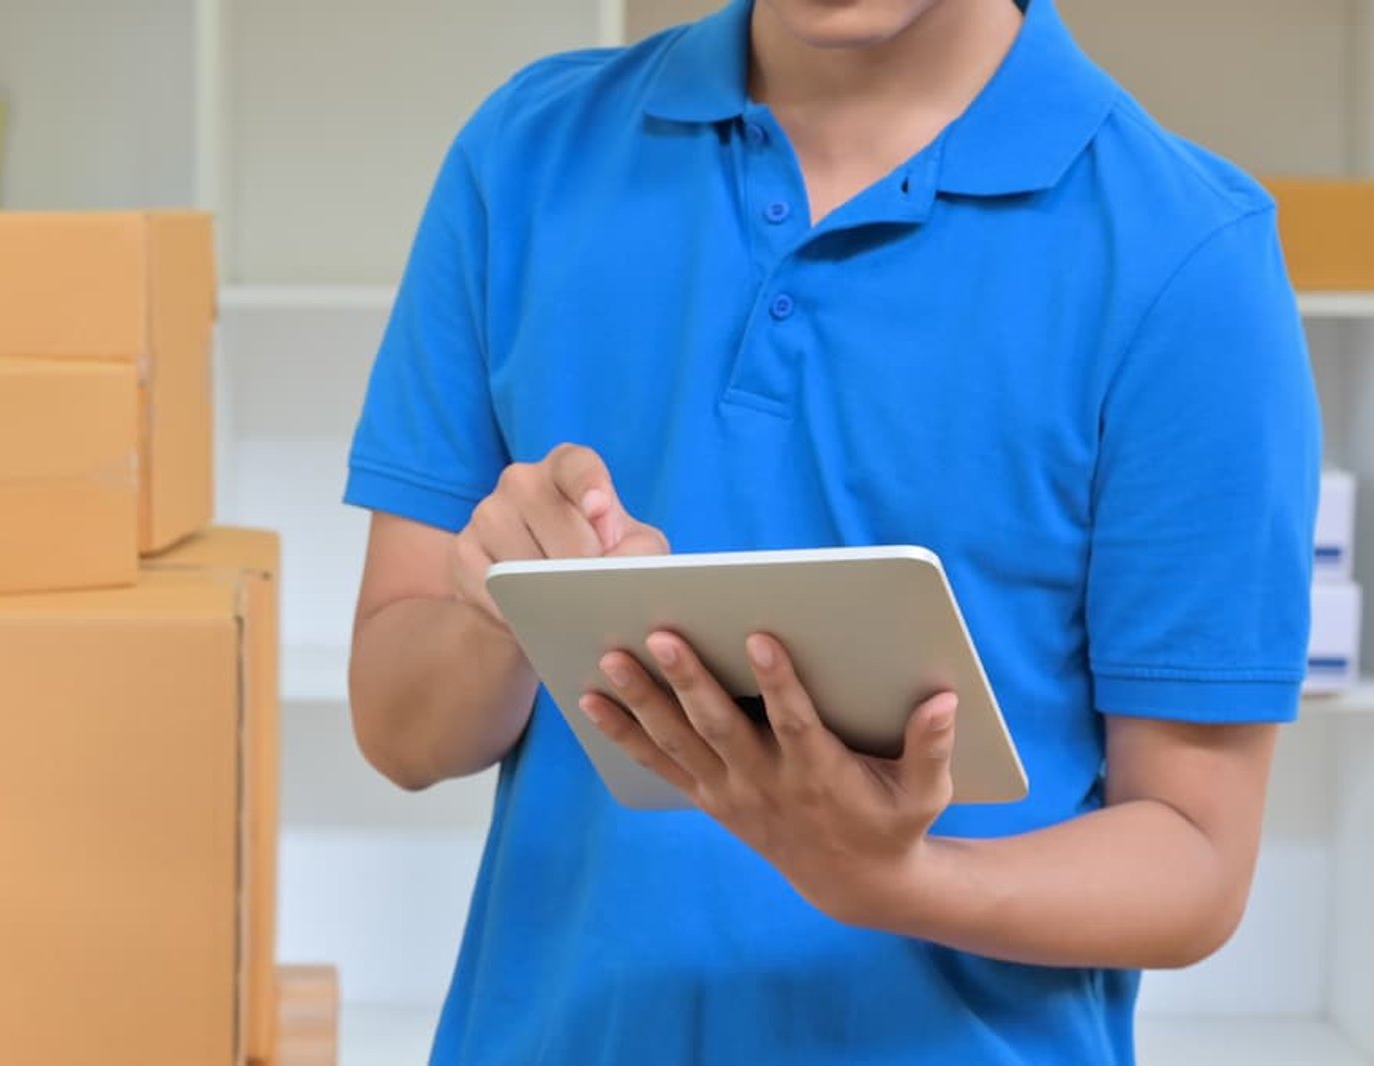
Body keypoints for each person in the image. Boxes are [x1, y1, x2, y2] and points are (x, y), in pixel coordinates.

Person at [342, 0, 1322, 1062]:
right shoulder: (527, 158)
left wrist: (900, 882)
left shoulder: (1185, 255)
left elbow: (1195, 858)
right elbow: (400, 732)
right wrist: (503, 614)